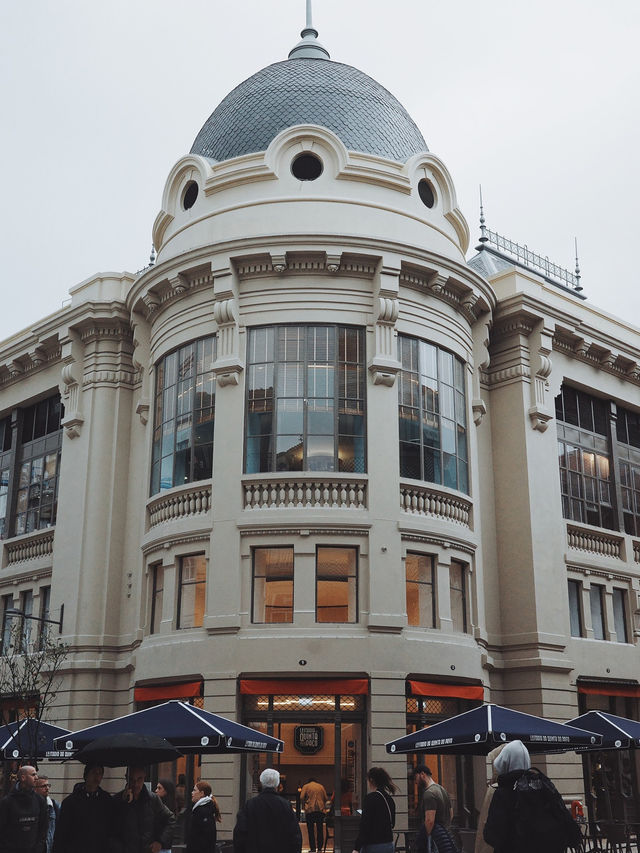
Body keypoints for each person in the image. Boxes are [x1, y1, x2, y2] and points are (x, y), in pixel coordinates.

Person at [483, 740, 581, 853]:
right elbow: (569, 825)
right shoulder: (544, 786)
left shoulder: (503, 793)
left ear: (504, 764)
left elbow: (492, 836)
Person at [233, 768, 302, 853]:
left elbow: (240, 833)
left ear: (261, 783)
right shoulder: (286, 805)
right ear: (277, 785)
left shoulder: (250, 805)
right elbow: (295, 835)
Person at [110, 766, 175, 853]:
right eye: (132, 779)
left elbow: (170, 819)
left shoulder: (152, 799)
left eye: (139, 779)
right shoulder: (118, 800)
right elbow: (111, 830)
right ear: (127, 778)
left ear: (144, 777)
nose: (136, 784)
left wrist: (160, 842)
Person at [51, 763, 112, 853]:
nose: (97, 776)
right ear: (86, 775)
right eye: (94, 772)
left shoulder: (106, 800)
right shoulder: (70, 802)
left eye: (100, 773)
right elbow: (61, 833)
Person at [0, 764, 48, 853]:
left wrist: (38, 848)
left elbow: (43, 829)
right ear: (23, 777)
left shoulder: (40, 800)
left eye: (36, 774)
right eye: (33, 775)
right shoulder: (7, 802)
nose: (36, 777)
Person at [352, 767, 397, 853]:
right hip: (388, 844)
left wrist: (357, 848)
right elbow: (393, 823)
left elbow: (365, 825)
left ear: (371, 780)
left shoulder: (370, 798)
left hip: (373, 845)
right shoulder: (389, 799)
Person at [415, 764, 457, 853]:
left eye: (416, 777)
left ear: (422, 774)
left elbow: (430, 820)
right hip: (446, 836)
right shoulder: (442, 789)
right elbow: (451, 813)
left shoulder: (429, 793)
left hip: (435, 839)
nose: (416, 782)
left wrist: (427, 839)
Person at [186, 781, 220, 853]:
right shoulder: (202, 809)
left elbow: (205, 838)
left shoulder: (202, 811)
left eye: (194, 790)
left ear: (202, 793)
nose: (192, 793)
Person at [300, 777, 328, 853]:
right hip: (320, 810)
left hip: (310, 810)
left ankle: (312, 848)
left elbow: (301, 797)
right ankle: (319, 848)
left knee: (311, 830)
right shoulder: (321, 786)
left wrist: (304, 805)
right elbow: (326, 798)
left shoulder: (306, 786)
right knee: (320, 829)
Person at [34, 776, 60, 853]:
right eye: (43, 786)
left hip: (50, 847)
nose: (47, 788)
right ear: (35, 789)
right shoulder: (32, 805)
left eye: (48, 785)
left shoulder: (54, 805)